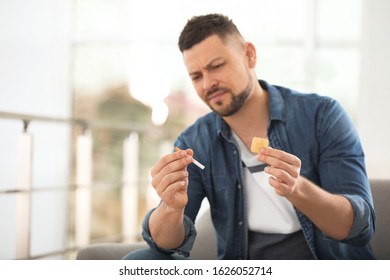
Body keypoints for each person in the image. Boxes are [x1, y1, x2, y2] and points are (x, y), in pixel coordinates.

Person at [123, 13, 376, 260]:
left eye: (217, 66)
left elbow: (357, 229)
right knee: (140, 261)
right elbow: (167, 247)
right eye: (197, 76)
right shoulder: (195, 142)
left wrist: (298, 189)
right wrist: (170, 207)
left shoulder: (322, 116)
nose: (207, 83)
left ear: (249, 55)